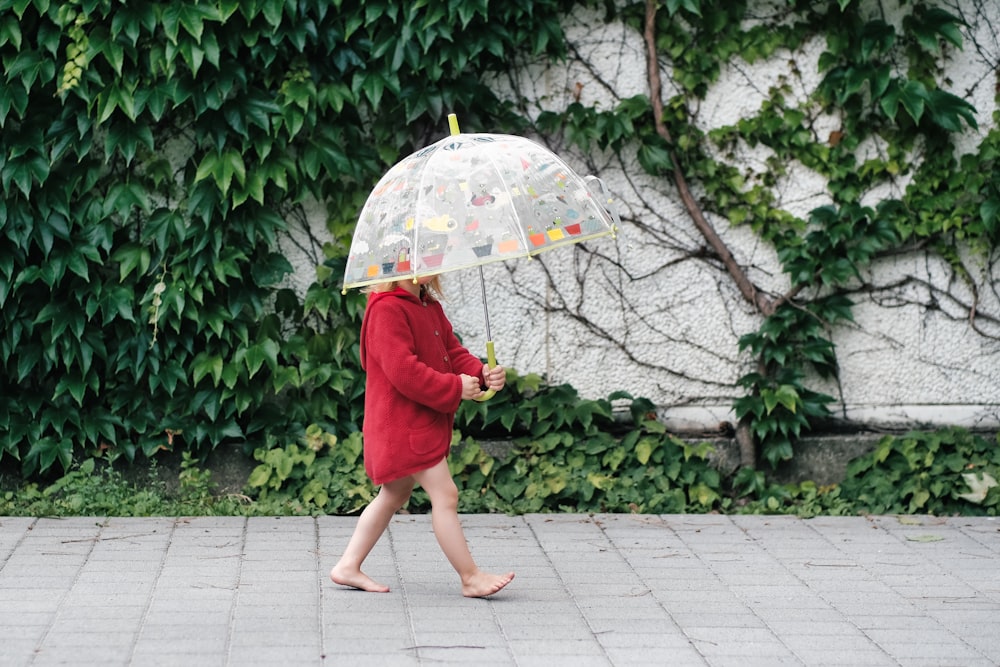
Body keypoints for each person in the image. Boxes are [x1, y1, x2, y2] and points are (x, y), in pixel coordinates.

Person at [330, 274, 514, 598]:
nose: (431, 262)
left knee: (394, 494)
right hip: (401, 427)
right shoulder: (387, 310)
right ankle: (470, 577)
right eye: (421, 256)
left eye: (433, 255)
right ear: (397, 264)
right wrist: (456, 387)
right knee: (446, 495)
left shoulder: (428, 306)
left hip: (414, 424)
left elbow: (451, 353)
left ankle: (348, 565)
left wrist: (479, 373)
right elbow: (404, 371)